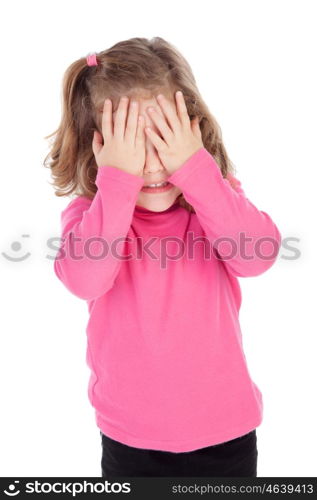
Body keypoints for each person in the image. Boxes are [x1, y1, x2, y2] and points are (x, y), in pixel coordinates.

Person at [44, 37, 281, 478]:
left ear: (194, 133)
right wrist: (117, 182)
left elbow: (258, 257)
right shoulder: (90, 215)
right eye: (132, 149)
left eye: (165, 143)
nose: (153, 167)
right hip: (130, 439)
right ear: (98, 150)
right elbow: (84, 281)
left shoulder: (213, 202)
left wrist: (195, 168)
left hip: (226, 435)